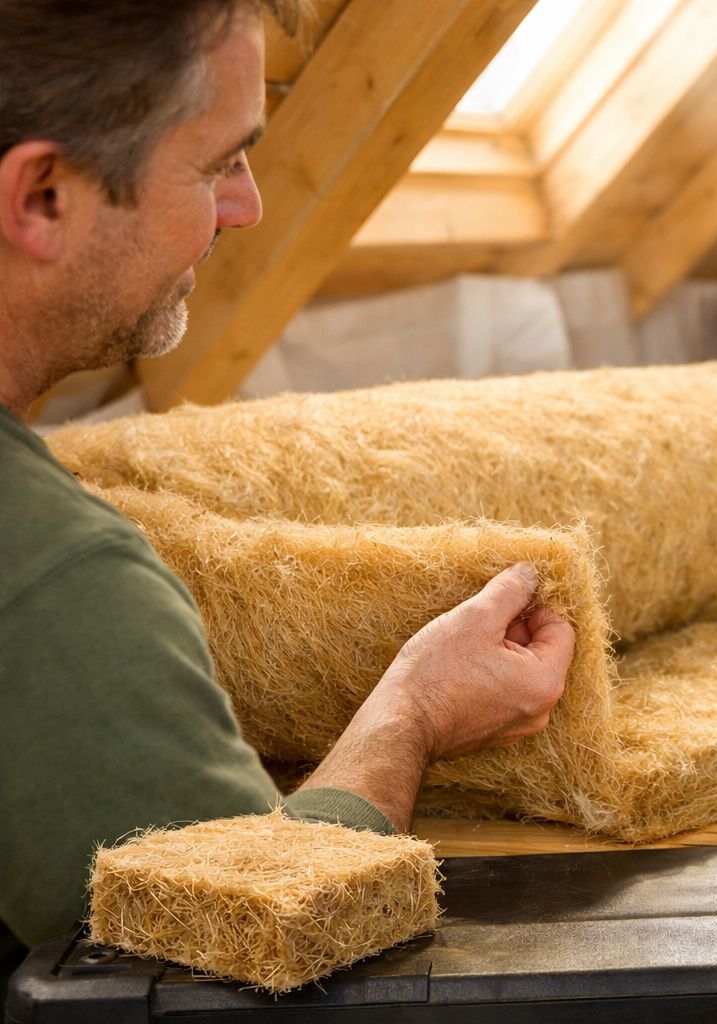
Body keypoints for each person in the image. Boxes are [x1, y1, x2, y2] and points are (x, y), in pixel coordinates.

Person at [0, 0, 575, 974]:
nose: (248, 205)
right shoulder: (55, 575)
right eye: (218, 161)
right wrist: (414, 711)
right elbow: (241, 959)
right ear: (43, 196)